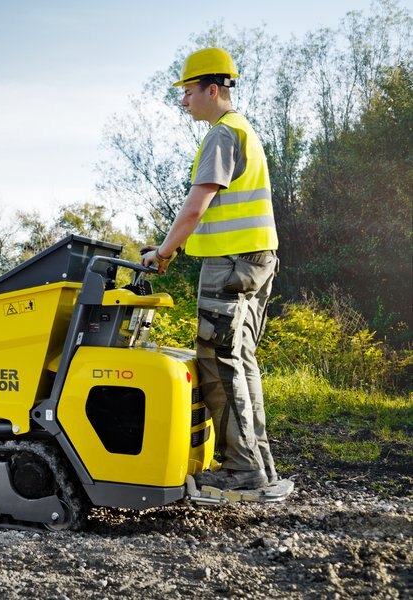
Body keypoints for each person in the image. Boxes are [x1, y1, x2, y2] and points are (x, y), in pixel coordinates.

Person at [140, 48, 279, 491]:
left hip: (232, 263)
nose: (184, 102)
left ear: (212, 89)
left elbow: (194, 209)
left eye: (188, 92)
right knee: (241, 360)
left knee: (217, 360)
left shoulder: (222, 135)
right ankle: (259, 464)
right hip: (257, 260)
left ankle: (242, 469)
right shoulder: (244, 131)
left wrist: (161, 253)